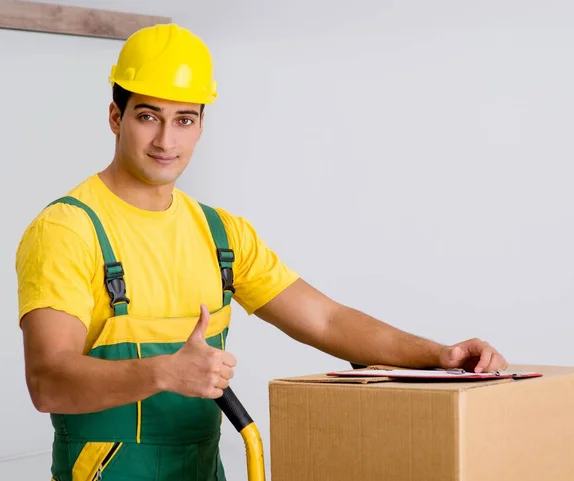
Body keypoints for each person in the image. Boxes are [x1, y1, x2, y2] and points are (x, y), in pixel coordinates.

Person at [15, 23, 508, 481]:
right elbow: (47, 380)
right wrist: (163, 371)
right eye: (148, 116)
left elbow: (327, 321)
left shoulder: (220, 234)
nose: (166, 140)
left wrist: (438, 356)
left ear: (201, 126)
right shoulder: (68, 230)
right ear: (115, 117)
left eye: (184, 120)